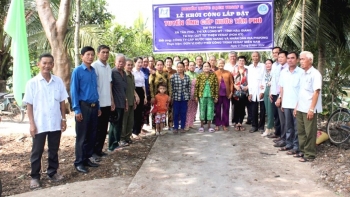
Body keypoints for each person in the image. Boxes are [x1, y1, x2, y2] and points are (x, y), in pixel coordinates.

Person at [23, 53, 68, 189]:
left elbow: (62, 101)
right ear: (39, 64)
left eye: (50, 63)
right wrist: (31, 124)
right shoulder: (32, 83)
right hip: (39, 123)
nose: (47, 66)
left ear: (53, 65)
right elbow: (29, 105)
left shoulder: (58, 81)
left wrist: (63, 118)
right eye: (44, 63)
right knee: (37, 151)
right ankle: (35, 177)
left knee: (53, 149)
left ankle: (52, 172)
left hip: (55, 122)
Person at [70, 46, 101, 173]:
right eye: (87, 54)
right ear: (82, 56)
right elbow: (74, 91)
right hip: (83, 107)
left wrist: (98, 106)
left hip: (94, 107)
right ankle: (79, 162)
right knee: (82, 136)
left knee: (91, 135)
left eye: (92, 55)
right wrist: (77, 109)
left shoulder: (93, 71)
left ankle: (87, 158)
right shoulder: (77, 71)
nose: (90, 57)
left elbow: (95, 90)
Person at [293, 51, 322, 162]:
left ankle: (309, 154)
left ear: (310, 60)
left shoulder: (315, 74)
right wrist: (296, 107)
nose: (301, 61)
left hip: (309, 108)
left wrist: (311, 109)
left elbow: (316, 92)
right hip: (301, 107)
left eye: (303, 59)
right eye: (300, 59)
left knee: (310, 132)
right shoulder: (303, 74)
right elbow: (301, 92)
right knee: (301, 131)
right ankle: (303, 151)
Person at [92, 45, 114, 161]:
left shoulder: (108, 66)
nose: (105, 54)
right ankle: (94, 152)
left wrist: (112, 100)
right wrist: (97, 103)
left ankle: (99, 150)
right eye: (103, 52)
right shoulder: (95, 66)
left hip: (107, 102)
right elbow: (94, 86)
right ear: (98, 53)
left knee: (104, 128)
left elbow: (110, 84)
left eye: (107, 52)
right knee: (97, 128)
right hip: (98, 104)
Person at [279, 52, 302, 153]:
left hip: (297, 105)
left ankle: (296, 147)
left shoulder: (301, 72)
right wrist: (282, 102)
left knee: (297, 128)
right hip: (287, 104)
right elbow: (282, 88)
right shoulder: (283, 72)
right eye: (288, 58)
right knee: (288, 126)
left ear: (297, 60)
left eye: (292, 58)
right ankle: (289, 144)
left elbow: (302, 91)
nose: (290, 60)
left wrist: (298, 105)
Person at [109, 54, 127, 151]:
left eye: (123, 62)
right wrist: (112, 101)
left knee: (119, 124)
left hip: (122, 102)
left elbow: (124, 89)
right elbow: (110, 88)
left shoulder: (124, 73)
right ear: (115, 62)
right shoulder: (112, 72)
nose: (121, 63)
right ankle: (112, 145)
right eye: (119, 61)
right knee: (114, 123)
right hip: (115, 103)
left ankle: (117, 142)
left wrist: (126, 101)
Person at [195, 62, 218, 132]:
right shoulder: (200, 75)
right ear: (202, 68)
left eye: (207, 66)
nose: (206, 68)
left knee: (210, 111)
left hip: (211, 96)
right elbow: (197, 86)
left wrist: (216, 96)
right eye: (204, 66)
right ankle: (201, 126)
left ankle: (209, 126)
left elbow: (216, 86)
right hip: (202, 96)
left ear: (210, 67)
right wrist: (196, 96)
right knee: (202, 110)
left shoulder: (213, 75)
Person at [120, 59, 139, 146]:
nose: (130, 66)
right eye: (128, 65)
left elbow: (133, 88)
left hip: (132, 101)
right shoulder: (123, 75)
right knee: (124, 121)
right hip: (125, 102)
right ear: (124, 65)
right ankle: (122, 138)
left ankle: (128, 137)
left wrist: (135, 98)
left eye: (131, 65)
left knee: (130, 121)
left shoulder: (132, 75)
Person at [273, 51, 290, 147]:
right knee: (281, 119)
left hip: (285, 97)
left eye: (282, 57)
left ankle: (286, 139)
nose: (280, 59)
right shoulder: (279, 68)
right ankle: (283, 137)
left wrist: (280, 98)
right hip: (278, 95)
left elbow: (284, 86)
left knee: (286, 120)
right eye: (278, 57)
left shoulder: (288, 69)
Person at [149, 60, 172, 130]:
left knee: (164, 111)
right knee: (155, 111)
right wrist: (152, 97)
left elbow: (169, 85)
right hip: (156, 97)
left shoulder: (166, 74)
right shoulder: (153, 74)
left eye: (161, 64)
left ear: (163, 65)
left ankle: (163, 128)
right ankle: (154, 128)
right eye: (158, 65)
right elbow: (151, 86)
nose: (160, 66)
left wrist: (170, 95)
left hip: (165, 97)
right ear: (155, 66)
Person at [248, 52, 266, 133]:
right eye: (254, 56)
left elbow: (264, 78)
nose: (255, 58)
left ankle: (261, 126)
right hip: (253, 91)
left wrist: (262, 91)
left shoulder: (263, 66)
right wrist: (250, 93)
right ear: (252, 57)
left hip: (261, 90)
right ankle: (254, 126)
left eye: (256, 56)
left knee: (262, 110)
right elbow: (250, 80)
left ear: (259, 57)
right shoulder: (250, 67)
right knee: (253, 109)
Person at [170, 62, 191, 133]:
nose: (180, 68)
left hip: (184, 98)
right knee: (175, 113)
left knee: (183, 113)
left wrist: (188, 98)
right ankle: (175, 127)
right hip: (176, 98)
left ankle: (182, 127)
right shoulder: (173, 76)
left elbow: (189, 88)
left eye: (181, 67)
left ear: (184, 68)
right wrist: (171, 97)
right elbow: (171, 88)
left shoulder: (187, 77)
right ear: (176, 68)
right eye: (178, 67)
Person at [214, 59, 233, 131]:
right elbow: (213, 85)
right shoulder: (215, 73)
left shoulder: (228, 73)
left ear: (224, 64)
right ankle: (217, 124)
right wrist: (214, 95)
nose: (220, 65)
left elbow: (231, 83)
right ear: (217, 64)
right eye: (219, 63)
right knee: (217, 110)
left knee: (226, 110)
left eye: (222, 63)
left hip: (226, 94)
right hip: (218, 95)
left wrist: (231, 92)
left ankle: (225, 124)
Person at [268, 47, 283, 139]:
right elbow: (272, 79)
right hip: (273, 92)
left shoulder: (284, 66)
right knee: (275, 114)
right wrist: (270, 92)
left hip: (280, 93)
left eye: (277, 52)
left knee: (281, 115)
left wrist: (280, 96)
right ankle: (277, 133)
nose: (275, 54)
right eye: (273, 53)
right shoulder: (274, 65)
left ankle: (282, 135)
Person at [232, 56, 249, 131]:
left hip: (244, 92)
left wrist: (247, 87)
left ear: (245, 62)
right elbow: (231, 81)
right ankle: (236, 123)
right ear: (237, 62)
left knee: (242, 108)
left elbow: (251, 80)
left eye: (243, 61)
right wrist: (234, 85)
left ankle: (240, 122)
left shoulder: (247, 71)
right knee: (236, 107)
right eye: (240, 60)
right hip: (235, 92)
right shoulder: (234, 71)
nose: (241, 62)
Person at [132, 57, 147, 140]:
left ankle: (137, 131)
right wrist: (136, 95)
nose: (140, 64)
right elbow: (132, 85)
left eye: (141, 62)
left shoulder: (141, 72)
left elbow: (143, 85)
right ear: (135, 62)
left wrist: (145, 96)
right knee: (135, 112)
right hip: (135, 91)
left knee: (140, 113)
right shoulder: (132, 72)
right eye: (138, 62)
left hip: (141, 91)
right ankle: (133, 132)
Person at [261, 59, 274, 137]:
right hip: (265, 90)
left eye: (269, 63)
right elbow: (263, 82)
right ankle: (271, 127)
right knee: (268, 111)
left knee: (270, 111)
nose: (268, 65)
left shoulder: (274, 73)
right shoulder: (265, 73)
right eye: (266, 64)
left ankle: (269, 128)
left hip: (271, 91)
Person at [184, 61, 198, 130]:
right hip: (188, 94)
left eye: (193, 65)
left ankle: (191, 123)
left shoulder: (197, 74)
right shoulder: (186, 74)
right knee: (188, 109)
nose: (192, 66)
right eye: (190, 65)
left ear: (195, 66)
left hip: (195, 94)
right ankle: (186, 124)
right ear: (188, 66)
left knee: (194, 109)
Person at [164, 57, 176, 130]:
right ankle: (162, 125)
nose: (168, 63)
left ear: (172, 63)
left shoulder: (175, 72)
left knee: (171, 110)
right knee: (162, 109)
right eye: (167, 62)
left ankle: (170, 125)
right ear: (165, 63)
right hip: (163, 93)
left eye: (170, 62)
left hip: (172, 93)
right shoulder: (162, 71)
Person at [141, 56, 151, 128]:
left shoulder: (147, 70)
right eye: (144, 62)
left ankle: (141, 128)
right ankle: (138, 130)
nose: (145, 63)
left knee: (146, 111)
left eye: (146, 62)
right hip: (140, 94)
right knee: (140, 112)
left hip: (147, 94)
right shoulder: (138, 70)